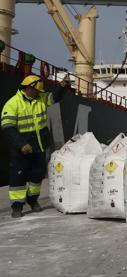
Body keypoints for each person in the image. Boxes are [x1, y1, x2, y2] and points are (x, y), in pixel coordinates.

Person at [1, 74, 69, 218]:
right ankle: (17, 206)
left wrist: (62, 87)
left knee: (37, 175)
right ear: (28, 89)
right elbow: (8, 127)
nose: (39, 93)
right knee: (18, 177)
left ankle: (32, 201)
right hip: (21, 147)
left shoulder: (40, 99)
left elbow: (54, 98)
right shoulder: (13, 104)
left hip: (38, 145)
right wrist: (21, 144)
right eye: (37, 91)